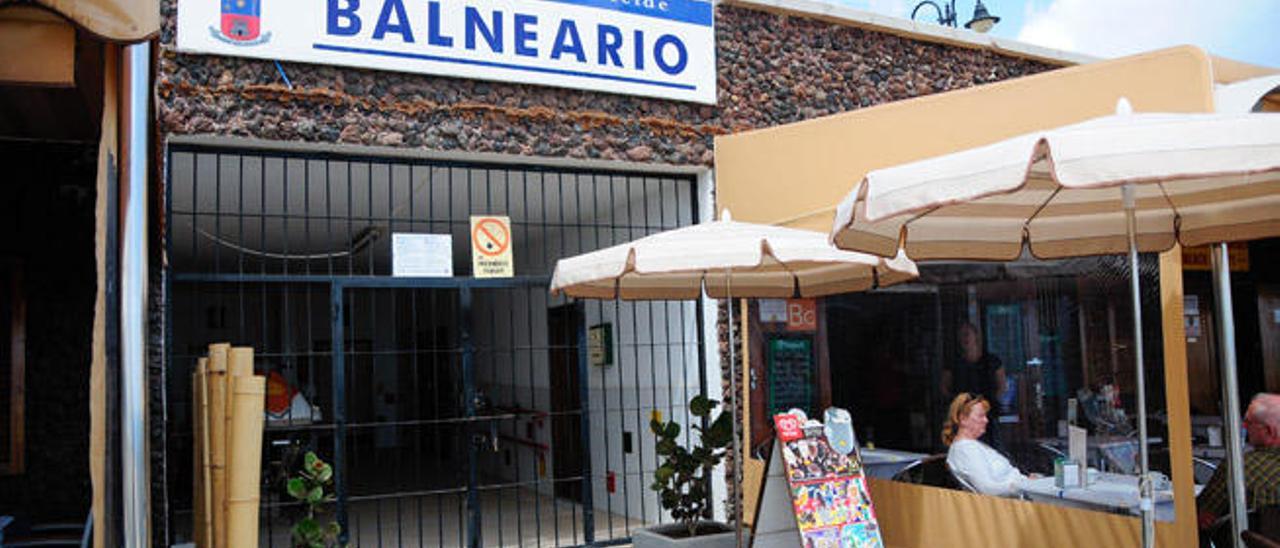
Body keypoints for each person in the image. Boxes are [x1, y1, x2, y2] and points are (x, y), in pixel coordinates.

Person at [1197, 393, 1280, 532]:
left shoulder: (1239, 466)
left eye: (1249, 422)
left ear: (1269, 431)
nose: (1244, 426)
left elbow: (1203, 514)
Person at [944, 392, 1034, 498]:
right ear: (963, 419)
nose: (986, 420)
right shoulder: (965, 450)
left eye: (985, 416)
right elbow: (988, 490)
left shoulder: (975, 445)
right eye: (981, 416)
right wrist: (1026, 485)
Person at [943, 323, 1007, 447]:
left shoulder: (992, 360)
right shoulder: (953, 362)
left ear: (976, 336)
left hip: (988, 414)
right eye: (961, 335)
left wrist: (986, 406)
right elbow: (944, 387)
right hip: (963, 416)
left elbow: (1002, 386)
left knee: (992, 449)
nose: (965, 338)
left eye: (967, 334)